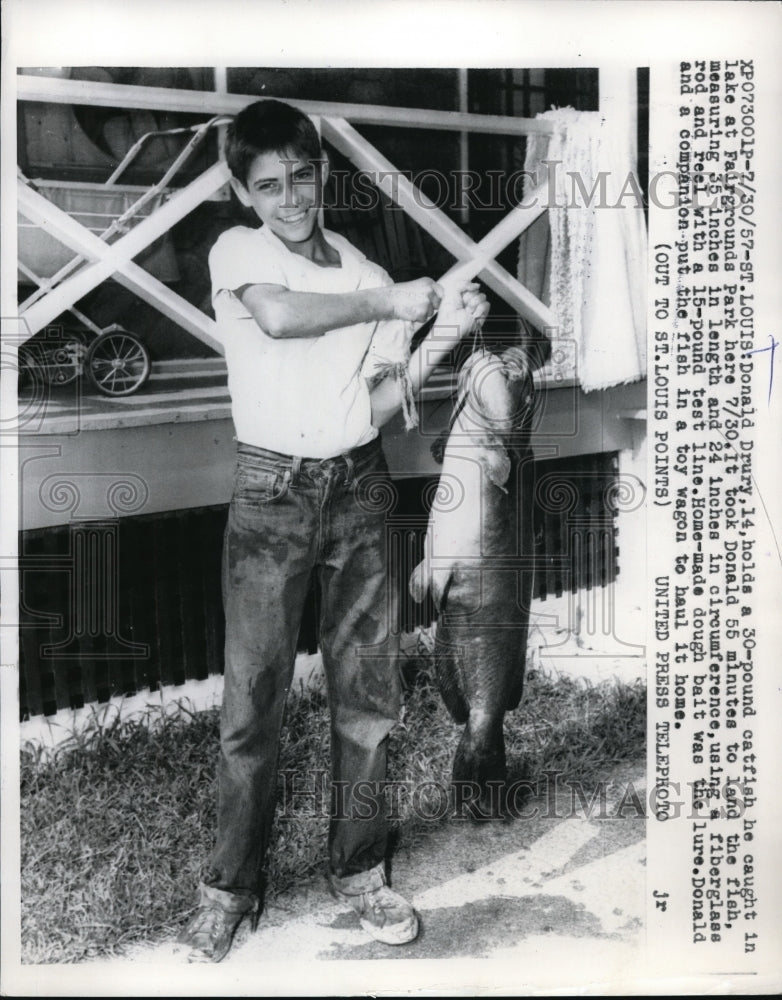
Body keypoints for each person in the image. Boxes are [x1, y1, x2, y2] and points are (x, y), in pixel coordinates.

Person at [176, 99, 488, 963]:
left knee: (368, 700)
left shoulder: (353, 262)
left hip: (358, 488)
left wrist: (439, 340)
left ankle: (359, 873)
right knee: (253, 705)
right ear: (243, 190)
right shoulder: (240, 254)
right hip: (270, 496)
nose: (289, 199)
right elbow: (279, 317)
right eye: (268, 185)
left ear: (322, 174)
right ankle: (230, 889)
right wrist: (388, 300)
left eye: (302, 178)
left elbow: (379, 408)